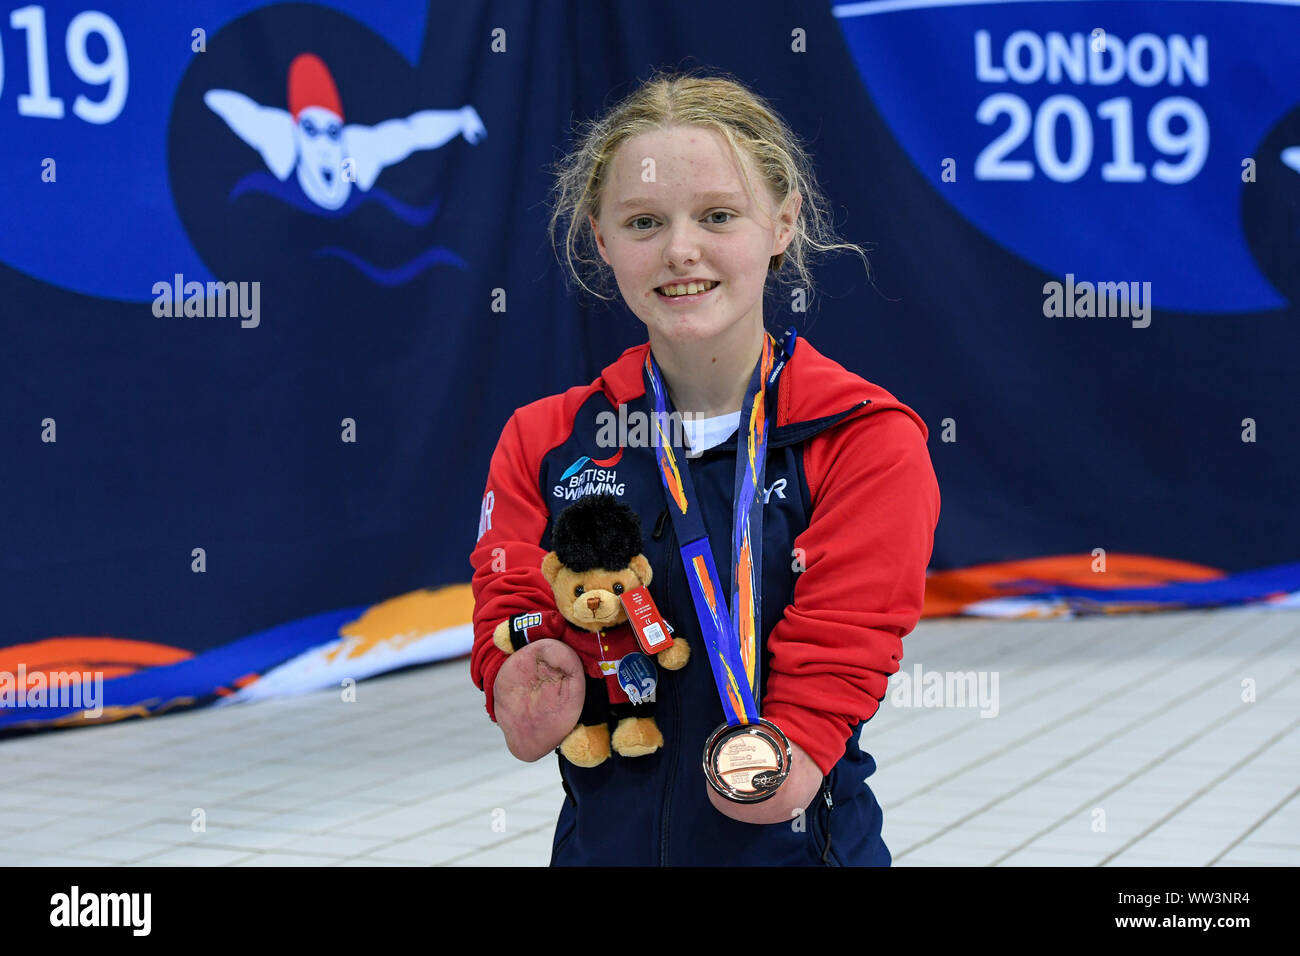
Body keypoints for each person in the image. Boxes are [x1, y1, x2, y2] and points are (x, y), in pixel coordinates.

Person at [469, 69, 939, 865]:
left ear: (783, 222)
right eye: (644, 221)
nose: (680, 250)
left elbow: (843, 643)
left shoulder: (863, 438)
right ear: (601, 239)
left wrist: (793, 748)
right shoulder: (546, 439)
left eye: (718, 215)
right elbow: (514, 605)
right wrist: (518, 669)